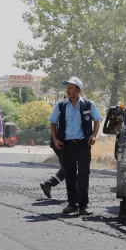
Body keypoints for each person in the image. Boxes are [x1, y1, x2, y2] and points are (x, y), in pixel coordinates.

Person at [48, 76, 102, 216]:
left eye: (71, 88)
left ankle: (84, 205)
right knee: (69, 174)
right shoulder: (61, 106)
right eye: (67, 88)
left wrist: (94, 135)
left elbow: (97, 120)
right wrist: (55, 139)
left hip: (83, 145)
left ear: (79, 90)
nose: (68, 90)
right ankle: (72, 204)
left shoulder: (89, 105)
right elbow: (53, 122)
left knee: (83, 174)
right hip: (67, 146)